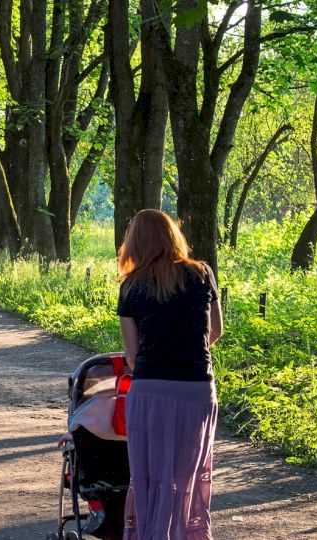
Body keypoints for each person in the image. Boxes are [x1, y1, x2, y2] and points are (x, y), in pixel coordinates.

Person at [116, 209, 223, 540]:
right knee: (187, 475)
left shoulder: (130, 286)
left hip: (150, 390)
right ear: (174, 236)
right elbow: (215, 330)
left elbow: (132, 356)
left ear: (134, 242)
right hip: (196, 388)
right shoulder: (202, 273)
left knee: (150, 476)